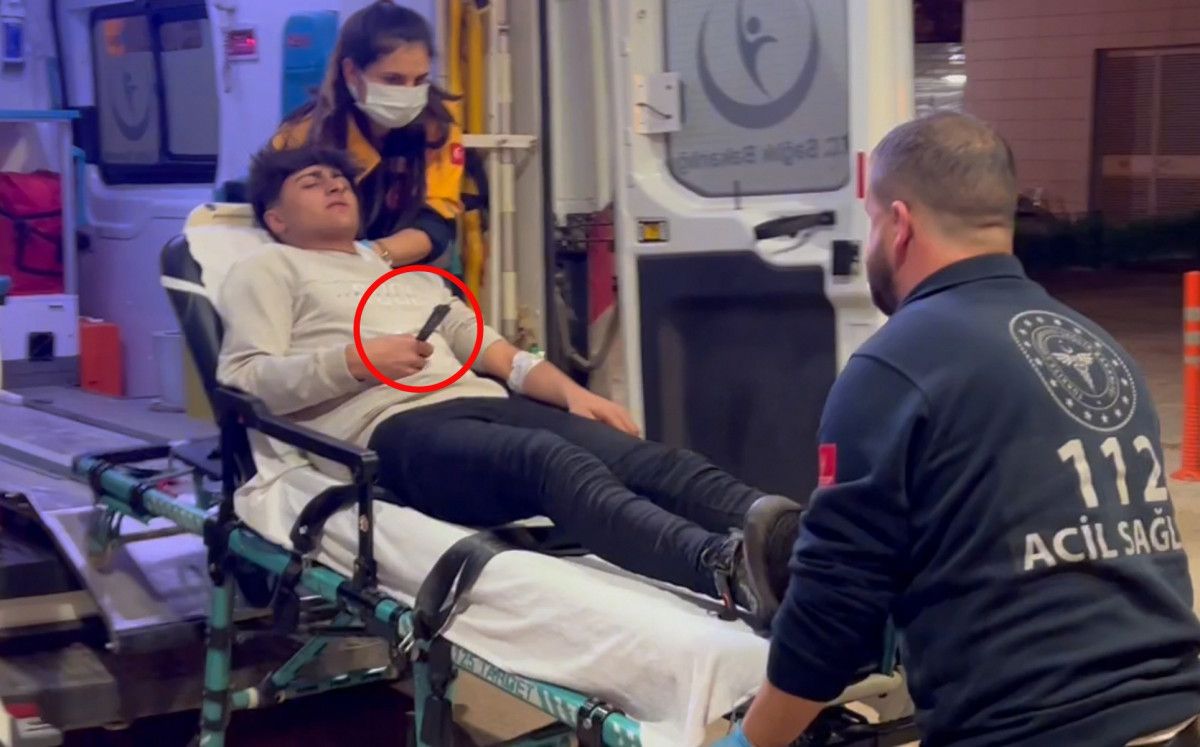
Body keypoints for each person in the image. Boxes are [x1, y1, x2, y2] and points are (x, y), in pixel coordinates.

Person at [717, 112, 1200, 747]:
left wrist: (752, 740)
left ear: (899, 225)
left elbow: (832, 613)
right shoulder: (1098, 350)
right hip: (1178, 714)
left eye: (871, 221)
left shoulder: (894, 367)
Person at [214, 144, 804, 630]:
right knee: (549, 461)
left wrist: (573, 394)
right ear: (276, 219)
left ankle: (798, 543)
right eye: (312, 182)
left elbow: (499, 355)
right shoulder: (268, 269)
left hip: (482, 403)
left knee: (646, 458)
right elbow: (244, 379)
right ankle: (723, 569)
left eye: (340, 178)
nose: (335, 185)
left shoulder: (408, 280)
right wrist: (356, 360)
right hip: (391, 428)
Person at [271, 1, 462, 267]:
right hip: (317, 266)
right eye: (393, 80)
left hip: (402, 268)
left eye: (419, 80)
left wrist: (373, 254)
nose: (408, 92)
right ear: (351, 72)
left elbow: (435, 222)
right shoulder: (303, 135)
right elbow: (278, 217)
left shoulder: (437, 129)